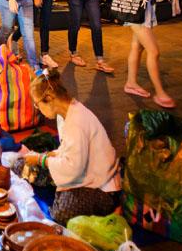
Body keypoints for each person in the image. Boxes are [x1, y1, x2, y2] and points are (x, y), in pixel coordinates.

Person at [25, 70, 121, 226]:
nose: (38, 109)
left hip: (103, 188)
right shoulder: (65, 113)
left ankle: (112, 208)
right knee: (25, 166)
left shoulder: (77, 121)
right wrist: (49, 156)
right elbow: (68, 150)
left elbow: (73, 167)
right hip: (79, 170)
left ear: (49, 98)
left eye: (37, 104)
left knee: (60, 213)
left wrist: (42, 159)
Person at [122, 0, 176, 108]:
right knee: (154, 51)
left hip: (147, 10)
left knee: (137, 48)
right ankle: (160, 93)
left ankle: (131, 83)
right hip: (136, 12)